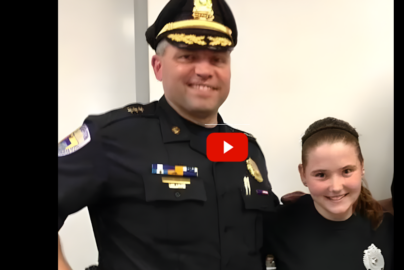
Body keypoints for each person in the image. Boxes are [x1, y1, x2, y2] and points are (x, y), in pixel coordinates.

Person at [58, 1, 279, 270]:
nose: (205, 70)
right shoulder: (114, 137)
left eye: (217, 59)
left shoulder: (245, 149)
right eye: (188, 56)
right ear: (158, 66)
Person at [263, 117, 394, 270]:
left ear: (362, 167)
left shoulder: (386, 228)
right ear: (303, 174)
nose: (336, 187)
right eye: (321, 175)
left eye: (346, 171)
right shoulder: (275, 226)